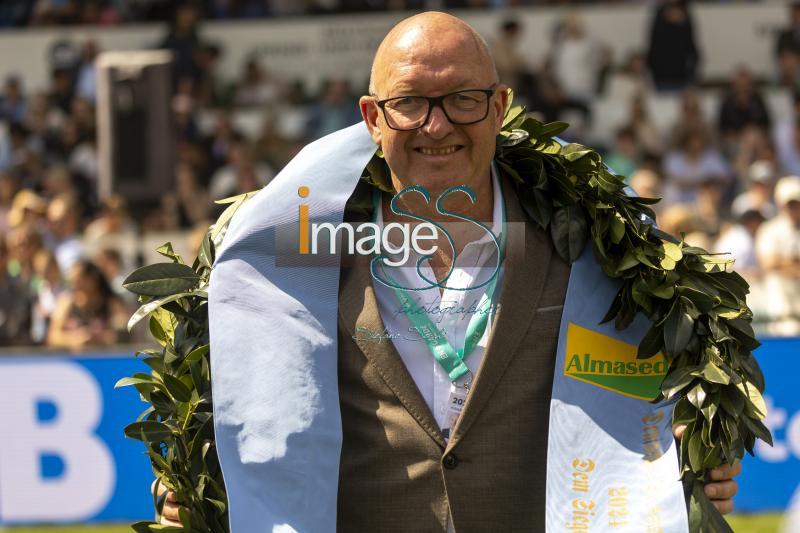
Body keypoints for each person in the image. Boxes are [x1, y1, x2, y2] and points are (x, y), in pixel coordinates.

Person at [158, 12, 741, 531]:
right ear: (372, 117)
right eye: (409, 102)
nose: (435, 126)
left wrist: (696, 448)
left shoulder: (591, 244)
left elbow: (673, 368)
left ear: (500, 105)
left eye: (462, 98)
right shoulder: (297, 249)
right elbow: (235, 375)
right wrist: (190, 478)